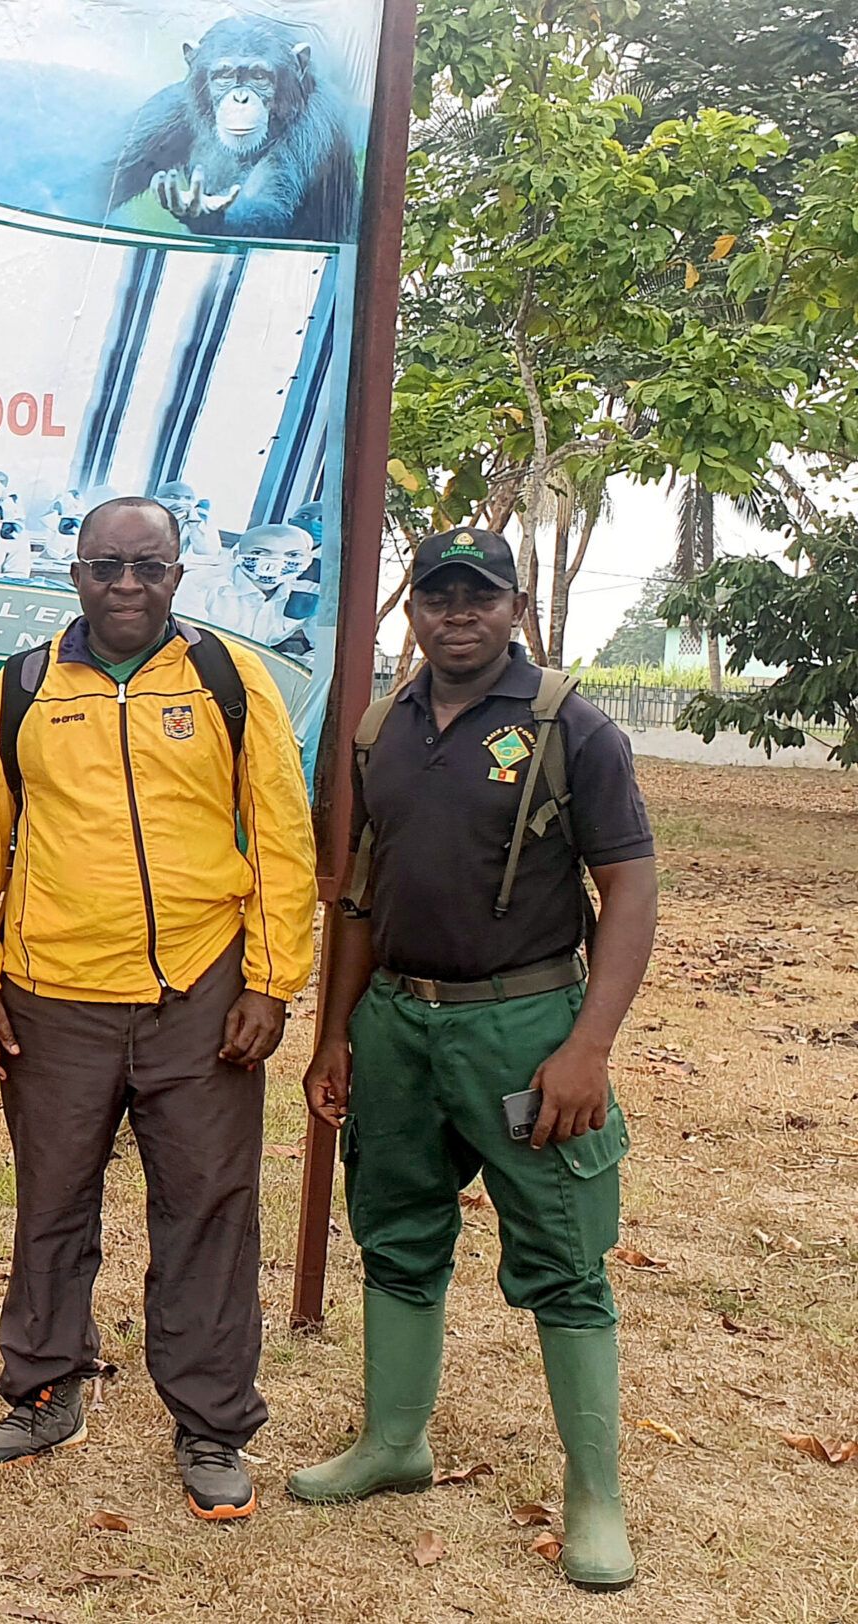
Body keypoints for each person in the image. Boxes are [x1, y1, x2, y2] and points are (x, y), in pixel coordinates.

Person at [290, 528, 656, 1593]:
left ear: (513, 606)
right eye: (437, 595)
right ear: (414, 610)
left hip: (524, 1023)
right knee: (396, 1230)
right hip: (400, 1023)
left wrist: (588, 1046)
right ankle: (394, 1443)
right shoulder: (381, 726)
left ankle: (595, 1496)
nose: (457, 613)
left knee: (562, 1259)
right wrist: (334, 1032)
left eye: (478, 596)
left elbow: (627, 890)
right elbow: (358, 891)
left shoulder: (570, 728)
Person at [0, 495, 316, 1520]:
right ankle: (41, 1390)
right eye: (105, 565)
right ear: (74, 571)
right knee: (50, 1202)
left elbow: (280, 835)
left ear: (176, 575)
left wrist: (269, 979)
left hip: (198, 995)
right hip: (53, 993)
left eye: (145, 567)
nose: (125, 585)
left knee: (206, 1207)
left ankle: (210, 1422)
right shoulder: (21, 687)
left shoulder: (226, 679)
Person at [176, 523, 317, 649]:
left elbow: (326, 653)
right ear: (237, 554)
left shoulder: (313, 595)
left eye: (292, 555)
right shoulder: (199, 583)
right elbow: (187, 642)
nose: (276, 562)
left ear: (308, 560)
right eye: (259, 553)